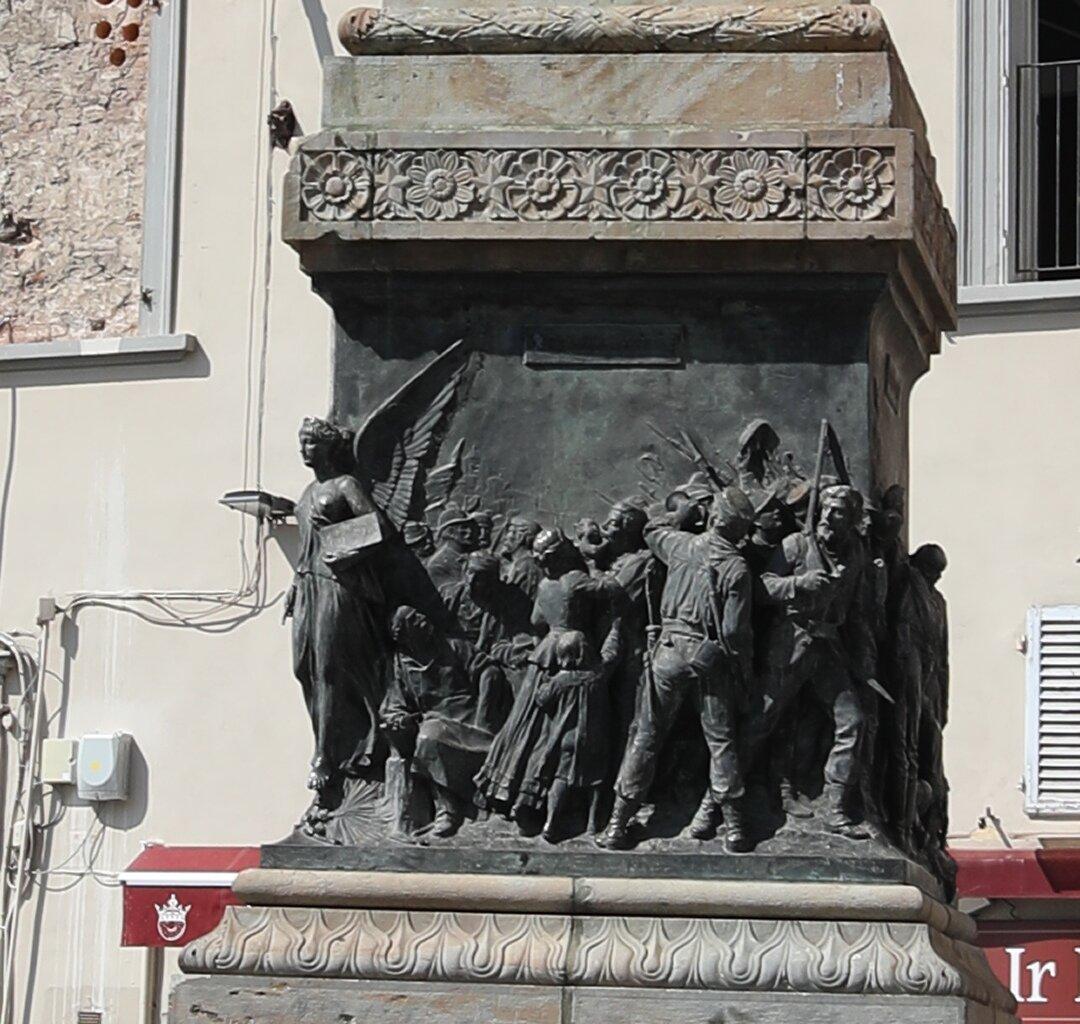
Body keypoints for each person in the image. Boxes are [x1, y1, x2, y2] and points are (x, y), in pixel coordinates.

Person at [600, 487, 756, 853]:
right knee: (721, 741)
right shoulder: (738, 568)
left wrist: (683, 511)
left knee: (646, 738)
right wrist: (739, 667)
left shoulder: (681, 545)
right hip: (708, 657)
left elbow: (651, 529)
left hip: (668, 652)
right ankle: (734, 829)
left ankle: (616, 825)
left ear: (713, 518)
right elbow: (734, 631)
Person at [743, 484, 878, 839]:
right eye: (827, 509)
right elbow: (761, 587)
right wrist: (799, 584)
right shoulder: (796, 544)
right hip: (791, 642)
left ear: (852, 519)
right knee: (762, 720)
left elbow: (858, 611)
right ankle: (720, 802)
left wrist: (864, 657)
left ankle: (835, 808)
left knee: (853, 721)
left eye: (839, 512)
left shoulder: (857, 554)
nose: (829, 518)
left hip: (828, 648)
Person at [473, 529, 623, 830]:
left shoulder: (544, 584)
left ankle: (510, 792)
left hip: (543, 655)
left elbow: (536, 621)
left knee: (525, 724)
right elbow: (612, 589)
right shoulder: (575, 580)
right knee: (552, 732)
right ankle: (535, 802)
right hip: (572, 652)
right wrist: (595, 559)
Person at [286, 417, 389, 812]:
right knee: (303, 669)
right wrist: (296, 582)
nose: (304, 450)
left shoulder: (345, 485)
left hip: (337, 584)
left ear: (327, 447)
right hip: (309, 583)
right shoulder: (309, 490)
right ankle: (334, 746)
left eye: (311, 443)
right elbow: (306, 546)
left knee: (328, 668)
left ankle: (326, 758)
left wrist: (343, 551)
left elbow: (378, 528)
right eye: (302, 443)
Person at [381, 606, 502, 837]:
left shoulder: (453, 647)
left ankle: (466, 807)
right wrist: (398, 719)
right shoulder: (401, 666)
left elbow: (489, 671)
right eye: (413, 619)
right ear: (405, 634)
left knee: (430, 736)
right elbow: (393, 705)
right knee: (428, 737)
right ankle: (447, 809)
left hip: (471, 719)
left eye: (420, 614)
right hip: (437, 722)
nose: (422, 618)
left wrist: (485, 715)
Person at [532, 630, 612, 840]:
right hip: (595, 740)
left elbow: (542, 700)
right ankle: (593, 823)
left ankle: (550, 822)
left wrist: (542, 682)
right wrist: (615, 630)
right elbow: (611, 654)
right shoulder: (597, 676)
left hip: (568, 740)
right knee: (595, 781)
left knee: (561, 779)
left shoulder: (560, 682)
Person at [498, 515, 543, 599]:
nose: (506, 537)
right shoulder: (525, 562)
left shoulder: (523, 565)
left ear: (521, 537)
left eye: (510, 531)